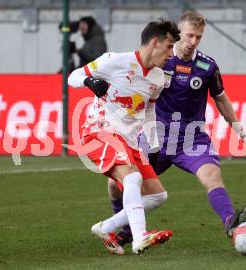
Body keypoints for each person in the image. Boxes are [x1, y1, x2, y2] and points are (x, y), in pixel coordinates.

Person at [106, 11, 246, 247]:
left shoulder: (207, 66)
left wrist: (241, 132)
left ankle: (231, 223)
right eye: (189, 35)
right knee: (115, 185)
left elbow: (221, 99)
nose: (193, 41)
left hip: (192, 139)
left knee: (212, 176)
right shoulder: (160, 61)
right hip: (156, 138)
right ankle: (123, 232)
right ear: (179, 33)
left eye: (198, 37)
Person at [68, 19, 180, 255]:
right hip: (100, 130)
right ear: (154, 42)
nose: (172, 53)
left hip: (128, 140)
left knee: (158, 195)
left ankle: (105, 227)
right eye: (169, 46)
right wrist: (89, 80)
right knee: (132, 179)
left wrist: (154, 141)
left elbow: (149, 110)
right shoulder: (115, 61)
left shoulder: (158, 78)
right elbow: (73, 76)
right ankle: (140, 237)